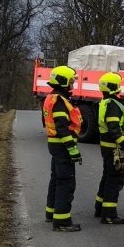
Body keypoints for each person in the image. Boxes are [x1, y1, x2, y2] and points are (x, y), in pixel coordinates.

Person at [42, 65, 82, 232]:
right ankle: (62, 222)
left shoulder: (53, 98)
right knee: (66, 182)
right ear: (63, 82)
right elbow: (62, 128)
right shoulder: (59, 101)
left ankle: (51, 213)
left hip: (55, 145)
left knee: (56, 179)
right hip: (62, 145)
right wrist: (72, 148)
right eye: (71, 82)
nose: (72, 85)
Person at [94, 72, 124, 225]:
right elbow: (114, 130)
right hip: (115, 149)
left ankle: (99, 209)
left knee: (107, 177)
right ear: (114, 86)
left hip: (107, 148)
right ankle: (109, 215)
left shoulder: (105, 102)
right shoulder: (113, 105)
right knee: (114, 180)